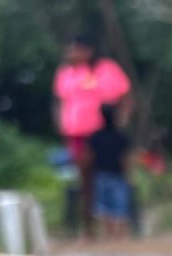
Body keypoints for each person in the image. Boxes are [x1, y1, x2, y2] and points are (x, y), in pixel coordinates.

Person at [53, 34, 131, 238]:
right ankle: (89, 229)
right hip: (77, 135)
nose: (71, 53)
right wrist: (63, 128)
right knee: (85, 182)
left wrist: (122, 120)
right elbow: (61, 103)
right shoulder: (65, 74)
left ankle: (118, 228)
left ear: (88, 50)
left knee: (112, 178)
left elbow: (125, 96)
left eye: (75, 49)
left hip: (104, 135)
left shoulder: (107, 69)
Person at [86, 104, 131, 239]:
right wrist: (128, 175)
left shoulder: (95, 137)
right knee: (121, 205)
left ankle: (110, 235)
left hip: (101, 174)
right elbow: (125, 159)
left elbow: (89, 157)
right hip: (118, 174)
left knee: (105, 206)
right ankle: (121, 235)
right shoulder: (121, 136)